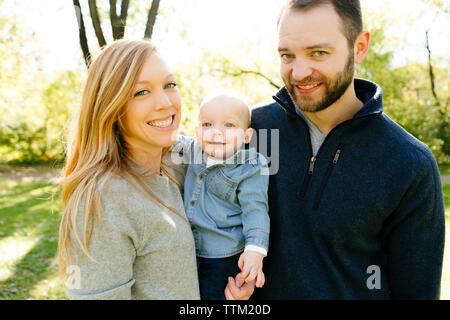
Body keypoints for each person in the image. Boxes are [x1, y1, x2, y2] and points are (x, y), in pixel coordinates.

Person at [230, 0, 445, 299]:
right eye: (287, 55)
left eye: (318, 52)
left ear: (359, 47)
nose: (300, 71)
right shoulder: (248, 132)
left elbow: (416, 292)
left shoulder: (409, 163)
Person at [57, 39, 201, 299]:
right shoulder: (102, 199)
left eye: (170, 85)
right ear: (111, 106)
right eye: (141, 92)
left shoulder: (175, 161)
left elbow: (243, 144)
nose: (165, 103)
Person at [170, 90, 270, 300]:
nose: (216, 132)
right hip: (188, 250)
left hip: (224, 255)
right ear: (197, 131)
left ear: (246, 136)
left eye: (229, 125)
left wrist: (255, 251)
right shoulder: (192, 150)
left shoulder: (250, 165)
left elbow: (256, 210)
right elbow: (162, 139)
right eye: (207, 125)